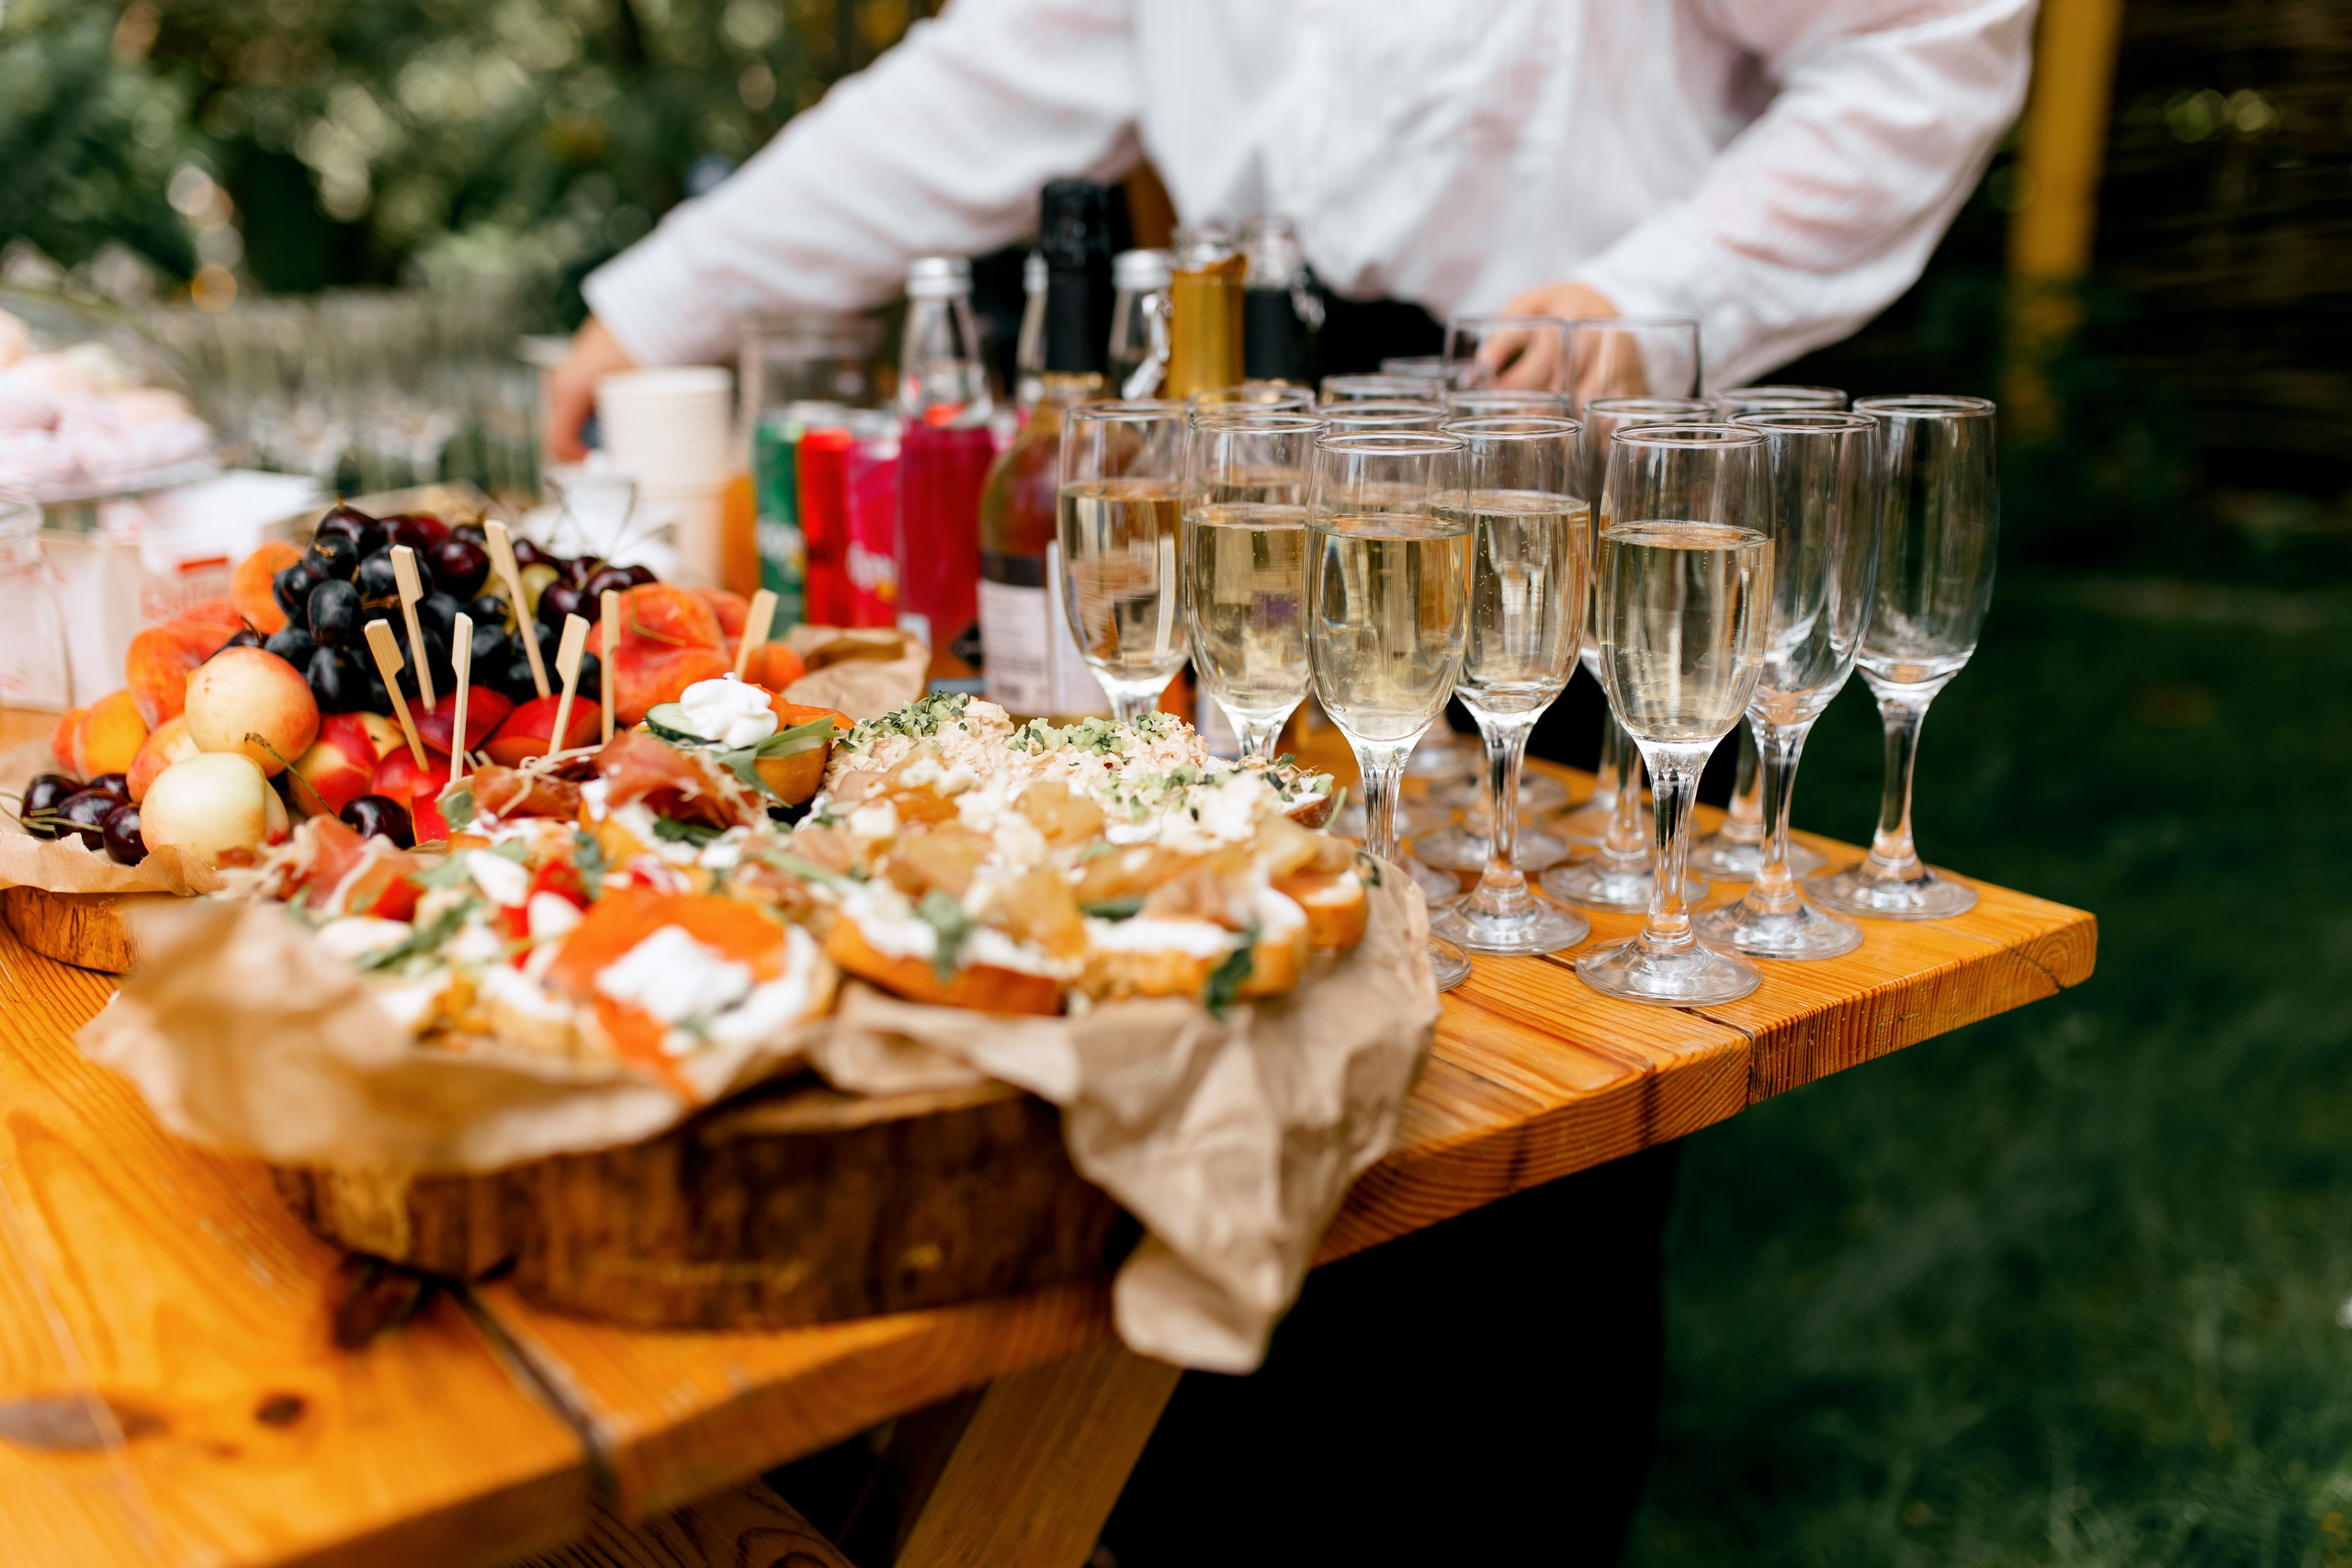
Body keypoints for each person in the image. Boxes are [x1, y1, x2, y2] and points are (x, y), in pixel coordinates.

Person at [548, 4, 2032, 1559]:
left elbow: (1929, 38)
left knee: (1542, 1125)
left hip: (1600, 446)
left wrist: (1656, 295)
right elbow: (992, 71)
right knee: (1270, 1031)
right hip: (1278, 437)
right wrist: (664, 301)